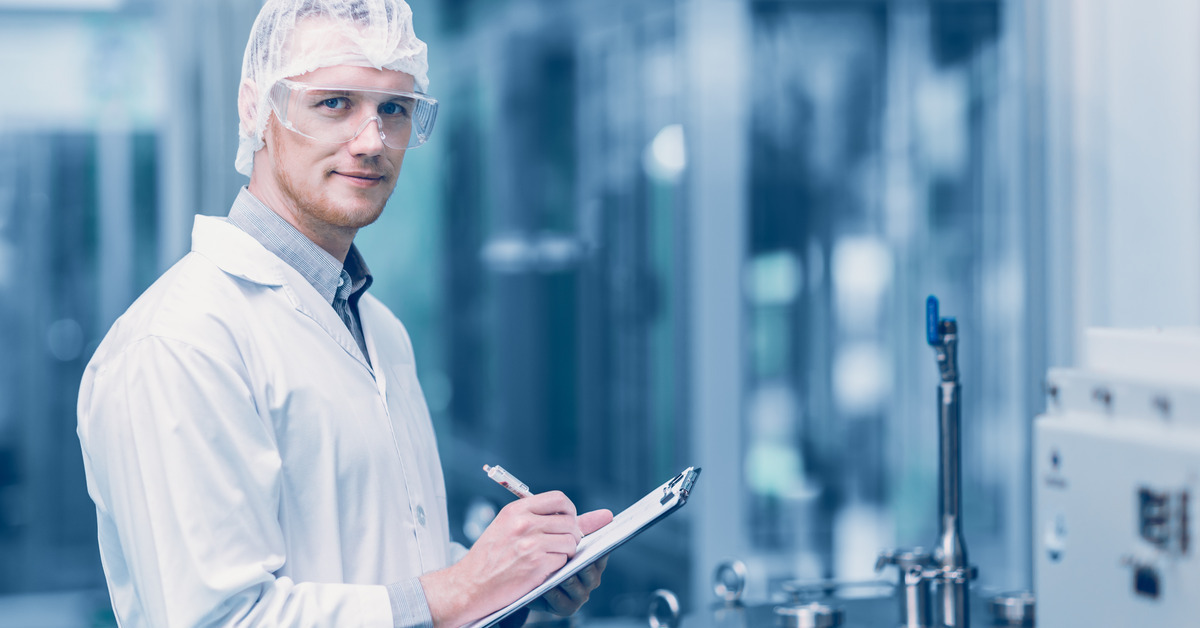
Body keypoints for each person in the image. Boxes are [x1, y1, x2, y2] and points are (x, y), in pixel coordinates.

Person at [76, 1, 612, 626]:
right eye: (334, 103)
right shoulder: (179, 343)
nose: (371, 141)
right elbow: (221, 619)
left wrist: (513, 581)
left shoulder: (379, 329)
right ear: (257, 110)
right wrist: (466, 586)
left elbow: (379, 568)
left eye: (395, 108)